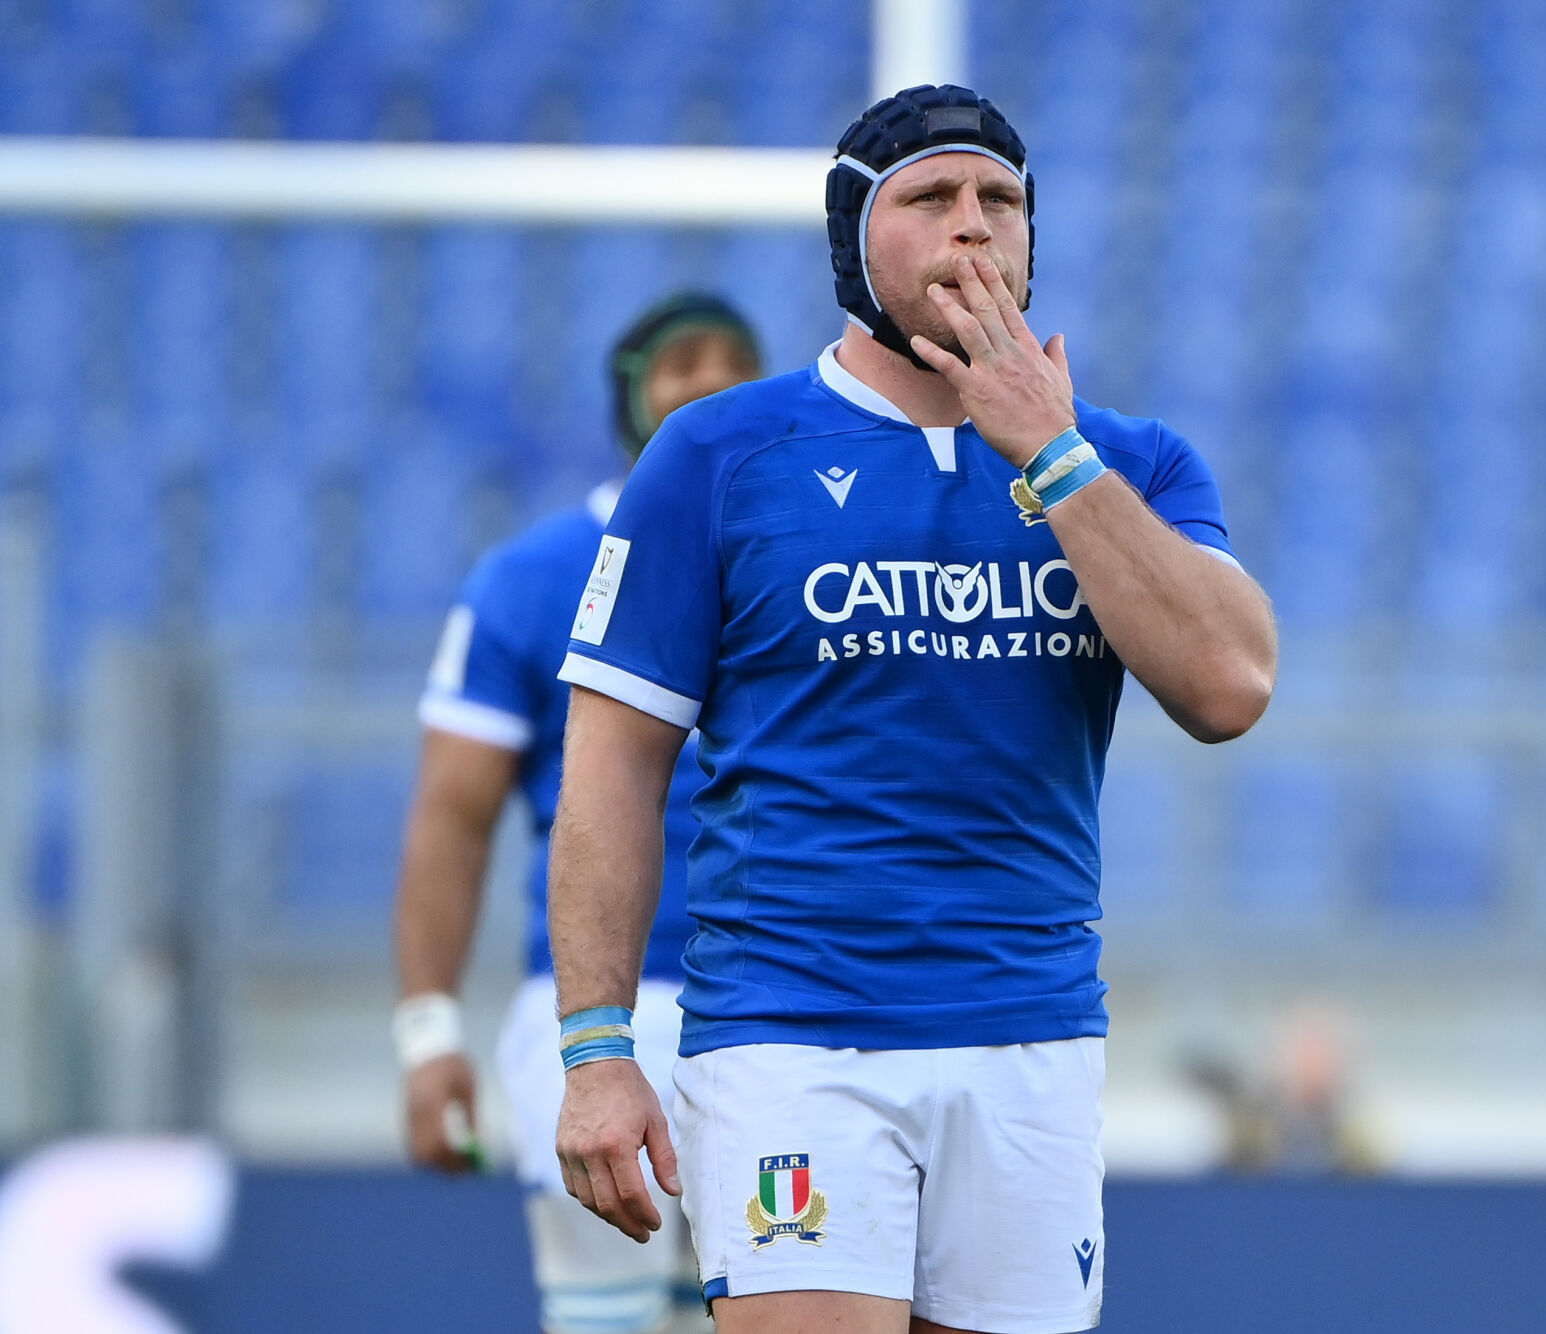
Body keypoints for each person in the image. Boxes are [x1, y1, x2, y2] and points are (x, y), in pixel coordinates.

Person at [548, 85, 1278, 1334]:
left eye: (1001, 200)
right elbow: (613, 767)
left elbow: (1231, 686)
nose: (973, 225)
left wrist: (1052, 453)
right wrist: (597, 1046)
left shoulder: (1133, 462)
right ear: (855, 240)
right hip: (793, 1033)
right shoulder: (718, 455)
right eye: (931, 197)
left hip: (1033, 1035)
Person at [392, 292, 762, 1334]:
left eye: (733, 361)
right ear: (627, 394)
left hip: (783, 1002)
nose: (709, 382)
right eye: (681, 362)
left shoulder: (809, 562)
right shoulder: (529, 577)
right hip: (600, 1013)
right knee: (608, 1317)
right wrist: (428, 1033)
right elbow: (452, 817)